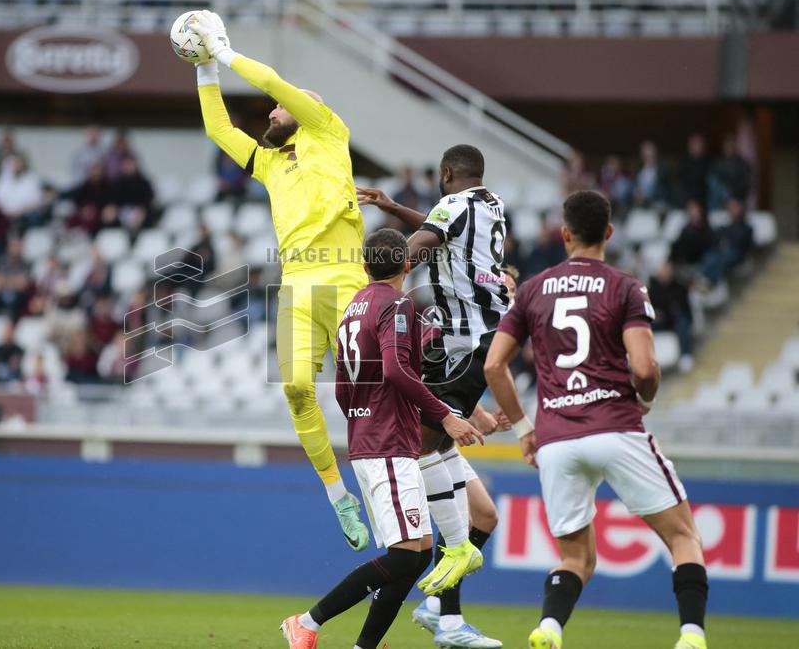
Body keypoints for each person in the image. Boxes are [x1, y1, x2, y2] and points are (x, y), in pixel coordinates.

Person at [483, 191, 708, 649]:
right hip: (616, 427)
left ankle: (549, 628)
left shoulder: (532, 289)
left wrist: (525, 431)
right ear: (609, 232)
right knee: (683, 537)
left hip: (557, 438)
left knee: (576, 558)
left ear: (564, 233)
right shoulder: (624, 286)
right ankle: (691, 635)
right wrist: (642, 402)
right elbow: (645, 368)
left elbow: (493, 366)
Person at [187, 10, 370, 549]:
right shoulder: (270, 163)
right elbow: (219, 129)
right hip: (295, 284)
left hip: (346, 277)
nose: (270, 108)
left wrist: (225, 52)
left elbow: (272, 82)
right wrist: (205, 71)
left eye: (279, 105)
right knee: (294, 388)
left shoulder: (329, 131)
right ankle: (340, 497)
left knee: (373, 388)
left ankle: (411, 477)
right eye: (272, 106)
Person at [280, 228, 485, 649]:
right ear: (407, 265)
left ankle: (364, 646)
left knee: (421, 552)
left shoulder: (353, 307)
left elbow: (342, 387)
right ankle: (307, 621)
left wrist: (362, 415)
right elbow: (395, 370)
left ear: (364, 266)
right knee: (406, 555)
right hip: (387, 442)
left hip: (371, 440)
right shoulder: (398, 304)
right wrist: (445, 416)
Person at [357, 145, 511, 649]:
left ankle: (456, 555)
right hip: (482, 337)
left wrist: (377, 262)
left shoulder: (453, 207)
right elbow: (446, 228)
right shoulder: (490, 205)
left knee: (422, 443)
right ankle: (444, 614)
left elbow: (412, 251)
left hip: (462, 342)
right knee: (477, 500)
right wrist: (397, 208)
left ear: (446, 174)